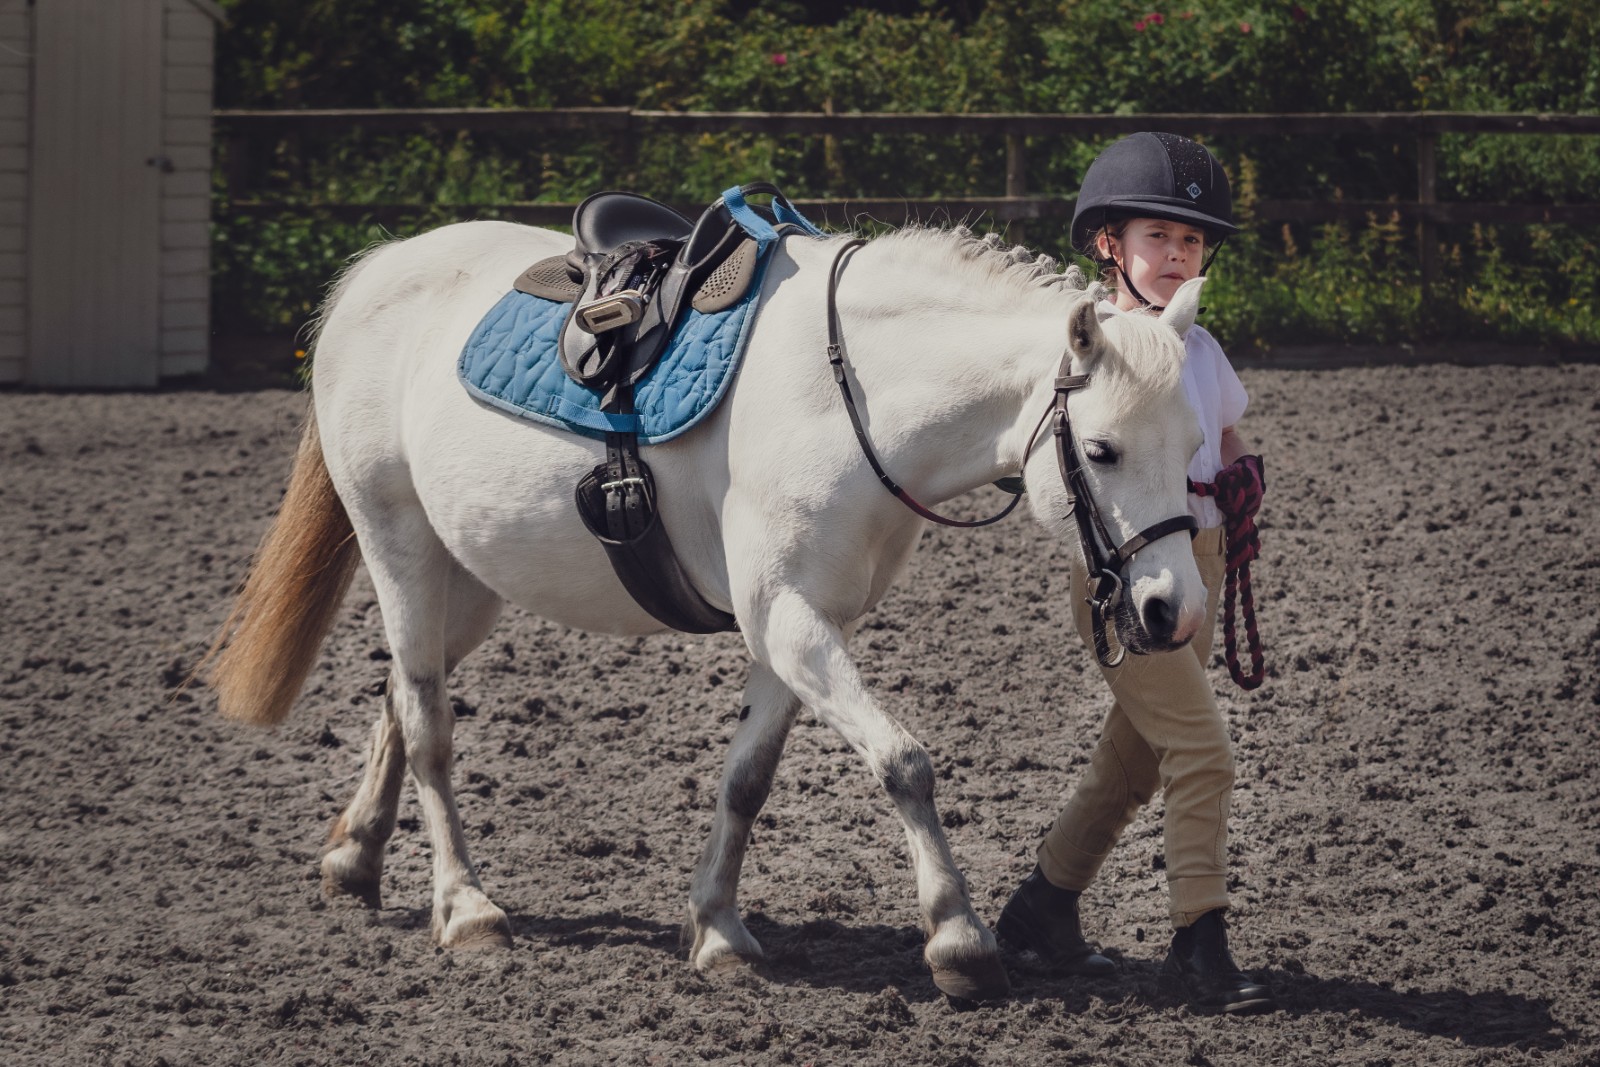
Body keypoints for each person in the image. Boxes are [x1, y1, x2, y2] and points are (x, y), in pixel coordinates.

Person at [996, 132, 1275, 1014]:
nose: (1179, 254)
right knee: (1202, 752)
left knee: (1136, 763)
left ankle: (1041, 908)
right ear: (1108, 243)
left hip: (1199, 557)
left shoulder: (1200, 347)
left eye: (1192, 241)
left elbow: (1222, 435)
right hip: (1126, 575)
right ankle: (1199, 942)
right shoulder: (1094, 346)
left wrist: (1239, 479)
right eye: (1160, 235)